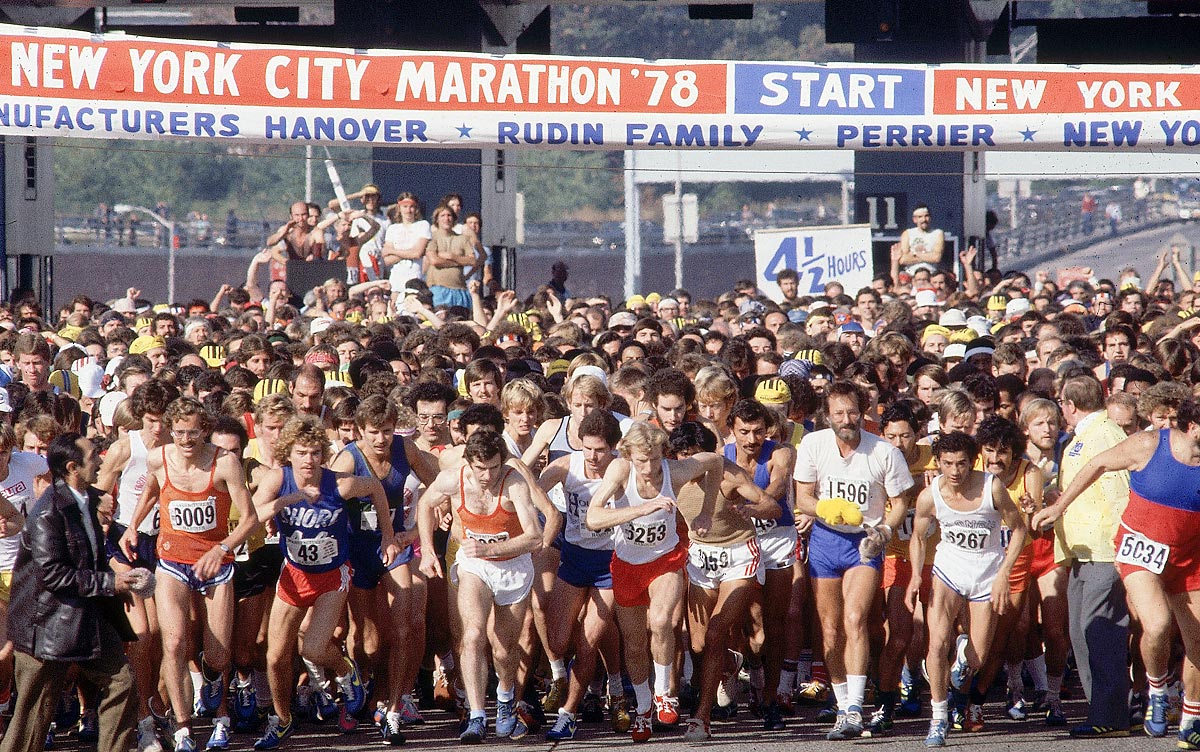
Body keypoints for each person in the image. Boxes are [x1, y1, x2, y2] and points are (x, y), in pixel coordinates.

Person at [1035, 397, 1200, 745]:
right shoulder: (1150, 444)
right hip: (1142, 549)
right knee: (1157, 624)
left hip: (1190, 557)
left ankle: (1191, 719)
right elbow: (1096, 465)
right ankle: (1156, 691)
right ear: (1193, 427)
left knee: (1197, 640)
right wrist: (1059, 507)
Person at [119, 398, 259, 752]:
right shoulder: (159, 458)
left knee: (219, 655)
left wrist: (221, 549)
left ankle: (212, 680)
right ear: (171, 430)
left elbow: (250, 519)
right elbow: (151, 489)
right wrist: (133, 525)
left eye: (193, 432)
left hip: (215, 565)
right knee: (175, 642)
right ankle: (183, 728)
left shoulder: (225, 463)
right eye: (179, 432)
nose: (186, 439)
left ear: (204, 429)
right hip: (172, 562)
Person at [251, 415, 395, 749]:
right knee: (274, 657)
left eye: (315, 452)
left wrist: (388, 534)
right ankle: (282, 721)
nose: (309, 460)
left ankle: (347, 673)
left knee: (313, 647)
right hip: (294, 574)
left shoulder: (339, 483)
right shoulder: (279, 479)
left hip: (332, 575)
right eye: (302, 452)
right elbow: (253, 515)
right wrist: (287, 502)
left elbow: (374, 487)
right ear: (290, 453)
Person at [2, 433, 142, 752]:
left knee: (122, 684)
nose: (101, 460)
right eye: (94, 456)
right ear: (72, 467)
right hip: (44, 628)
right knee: (31, 722)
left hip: (83, 619)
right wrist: (112, 584)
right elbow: (54, 575)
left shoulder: (83, 499)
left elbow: (89, 550)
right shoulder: (48, 514)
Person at [584, 421, 723, 743]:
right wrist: (640, 509)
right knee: (633, 643)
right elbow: (593, 518)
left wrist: (705, 512)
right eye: (641, 461)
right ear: (629, 455)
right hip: (628, 565)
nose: (648, 468)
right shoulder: (620, 470)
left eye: (655, 460)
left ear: (664, 454)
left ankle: (664, 694)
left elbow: (714, 462)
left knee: (661, 621)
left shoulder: (674, 472)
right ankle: (643, 709)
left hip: (666, 560)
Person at [794, 381, 914, 740]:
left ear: (862, 413)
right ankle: (842, 705)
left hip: (865, 544)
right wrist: (825, 508)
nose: (846, 420)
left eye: (851, 412)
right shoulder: (813, 444)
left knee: (856, 618)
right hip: (826, 542)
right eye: (838, 413)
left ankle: (857, 708)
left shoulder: (882, 451)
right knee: (830, 630)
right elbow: (803, 497)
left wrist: (884, 533)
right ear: (827, 415)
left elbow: (900, 503)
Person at [418, 431, 544, 744]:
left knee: (504, 648)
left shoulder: (513, 483)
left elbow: (535, 537)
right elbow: (424, 504)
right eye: (480, 468)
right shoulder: (453, 479)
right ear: (469, 463)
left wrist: (489, 549)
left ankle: (504, 698)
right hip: (473, 565)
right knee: (472, 635)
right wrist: (428, 549)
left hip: (513, 568)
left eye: (493, 467)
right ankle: (476, 715)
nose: (487, 475)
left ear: (502, 462)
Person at [906, 432, 1028, 748]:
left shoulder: (992, 487)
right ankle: (938, 718)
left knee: (978, 658)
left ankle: (962, 656)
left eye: (961, 463)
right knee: (936, 644)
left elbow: (1018, 529)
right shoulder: (930, 495)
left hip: (986, 573)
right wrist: (916, 576)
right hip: (949, 569)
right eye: (947, 464)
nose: (955, 471)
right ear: (938, 463)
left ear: (972, 461)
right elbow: (918, 537)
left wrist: (1004, 573)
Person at [1030, 374, 1131, 738]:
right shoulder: (1084, 437)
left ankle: (1111, 714)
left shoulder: (1104, 435)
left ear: (1069, 405)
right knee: (1082, 632)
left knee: (1100, 633)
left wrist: (1122, 547)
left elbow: (1121, 492)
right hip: (1080, 550)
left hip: (1104, 549)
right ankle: (1106, 708)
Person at [896, 204, 946, 276]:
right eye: (920, 217)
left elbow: (936, 258)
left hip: (931, 275)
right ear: (914, 219)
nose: (924, 220)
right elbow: (903, 259)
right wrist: (928, 256)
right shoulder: (907, 233)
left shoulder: (938, 233)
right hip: (911, 276)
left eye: (926, 216)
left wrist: (915, 254)